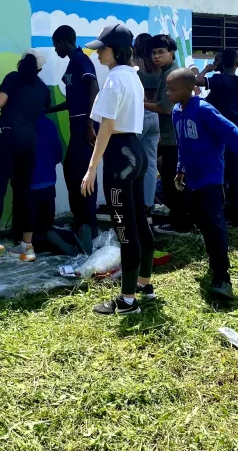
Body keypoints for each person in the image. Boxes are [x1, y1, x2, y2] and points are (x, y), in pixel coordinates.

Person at [168, 68, 238, 299]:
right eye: (167, 88)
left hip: (210, 179)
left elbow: (233, 133)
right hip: (192, 179)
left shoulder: (203, 110)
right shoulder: (176, 112)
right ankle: (214, 260)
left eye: (172, 89)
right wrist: (180, 169)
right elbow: (182, 143)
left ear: (189, 89)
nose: (168, 93)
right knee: (202, 222)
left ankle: (223, 278)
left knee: (214, 225)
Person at [81, 24, 155, 315]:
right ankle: (144, 285)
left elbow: (107, 126)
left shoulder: (114, 80)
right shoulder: (132, 77)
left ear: (117, 50)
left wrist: (91, 167)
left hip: (119, 158)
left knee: (126, 231)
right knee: (139, 222)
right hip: (135, 154)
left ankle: (126, 301)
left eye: (103, 48)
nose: (98, 53)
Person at [0, 51, 51, 272]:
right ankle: (27, 247)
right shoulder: (43, 88)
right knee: (23, 192)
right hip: (29, 142)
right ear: (39, 69)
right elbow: (42, 109)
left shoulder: (12, 78)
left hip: (8, 135)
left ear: (21, 62)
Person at [49, 26, 100, 239]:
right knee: (71, 170)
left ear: (63, 41)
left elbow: (94, 87)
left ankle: (89, 225)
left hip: (84, 127)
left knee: (84, 174)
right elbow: (71, 100)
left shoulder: (82, 60)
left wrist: (89, 123)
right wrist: (48, 110)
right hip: (77, 127)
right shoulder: (72, 63)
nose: (55, 50)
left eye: (55, 45)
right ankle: (80, 220)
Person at [196, 49, 238, 227]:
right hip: (236, 127)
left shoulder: (218, 80)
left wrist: (207, 68)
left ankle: (224, 208)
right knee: (235, 171)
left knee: (221, 169)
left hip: (219, 129)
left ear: (220, 63)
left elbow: (197, 80)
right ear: (235, 63)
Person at [144, 34, 191, 235]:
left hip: (175, 137)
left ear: (171, 53)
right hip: (172, 135)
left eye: (161, 52)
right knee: (172, 176)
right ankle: (183, 220)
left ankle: (180, 225)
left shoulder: (171, 74)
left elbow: (164, 108)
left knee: (173, 182)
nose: (156, 56)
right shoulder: (168, 72)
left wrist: (138, 101)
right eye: (153, 53)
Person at [12, 113, 63, 252]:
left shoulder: (17, 125)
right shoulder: (50, 124)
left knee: (25, 227)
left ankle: (29, 242)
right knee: (45, 228)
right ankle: (62, 238)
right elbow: (58, 154)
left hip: (28, 186)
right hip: (49, 183)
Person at [133, 33, 160, 214]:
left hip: (139, 117)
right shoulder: (158, 66)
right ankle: (148, 205)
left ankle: (133, 203)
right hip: (156, 115)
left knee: (130, 160)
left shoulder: (135, 64)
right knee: (150, 162)